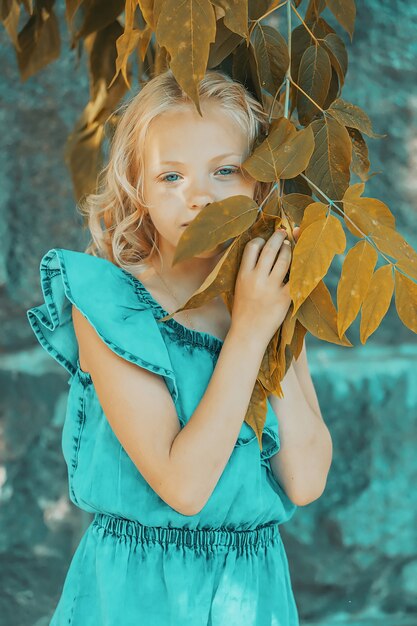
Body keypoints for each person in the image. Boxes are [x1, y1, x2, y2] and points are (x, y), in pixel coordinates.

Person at [27, 68, 331, 625]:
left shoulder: (267, 294)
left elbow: (305, 481)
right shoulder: (112, 306)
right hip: (143, 595)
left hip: (252, 593)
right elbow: (185, 488)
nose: (199, 196)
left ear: (260, 185)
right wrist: (247, 334)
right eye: (170, 176)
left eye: (225, 170)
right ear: (136, 188)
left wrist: (264, 321)